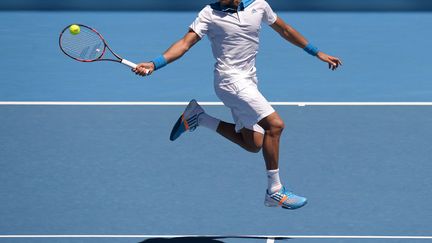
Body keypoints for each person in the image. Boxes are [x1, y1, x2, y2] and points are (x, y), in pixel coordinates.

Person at [133, 0, 342, 210]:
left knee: (253, 143)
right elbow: (185, 43)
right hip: (229, 81)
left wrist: (317, 52)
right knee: (275, 125)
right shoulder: (209, 13)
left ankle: (198, 117)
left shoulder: (259, 5)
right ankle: (275, 191)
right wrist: (155, 63)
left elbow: (285, 30)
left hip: (249, 80)